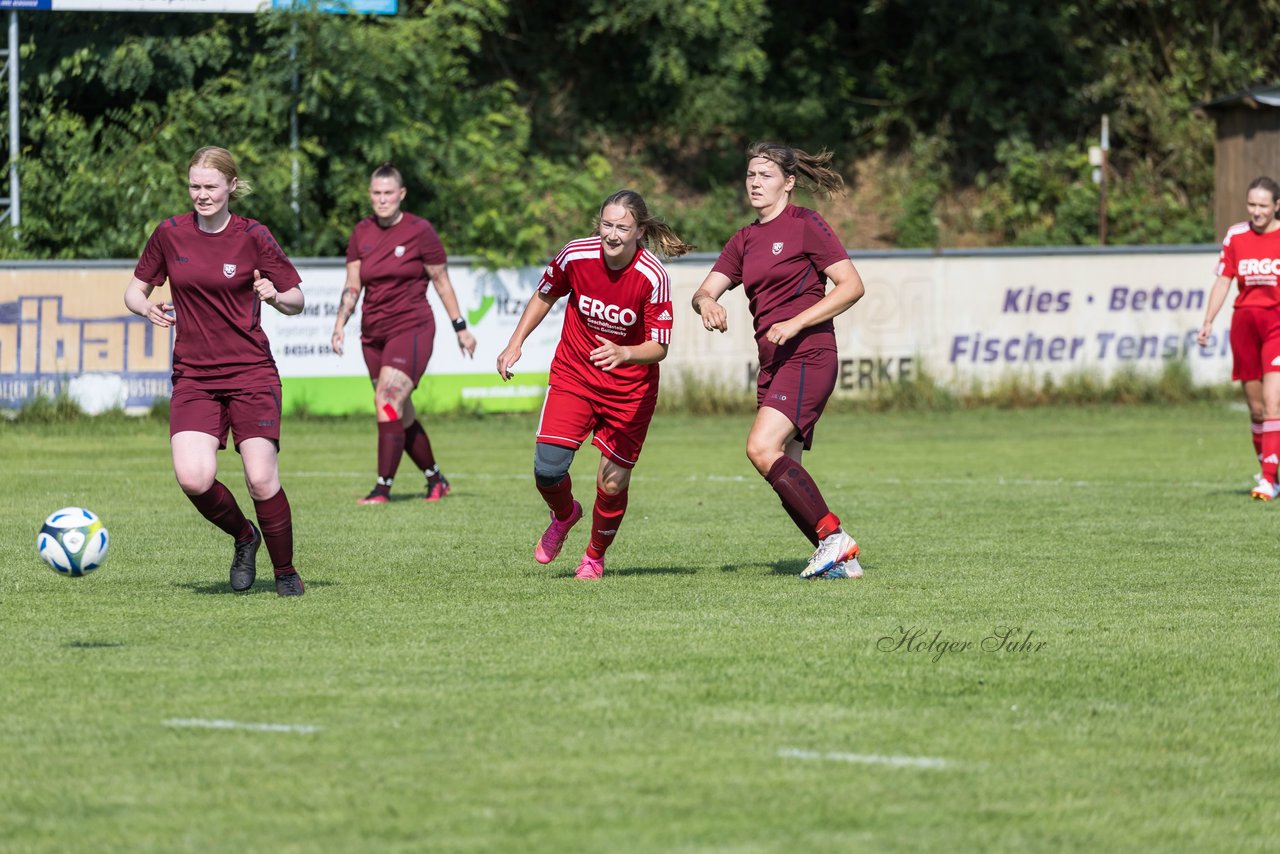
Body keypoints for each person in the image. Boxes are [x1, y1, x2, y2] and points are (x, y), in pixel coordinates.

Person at [124, 146, 306, 596]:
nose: (201, 195)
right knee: (193, 478)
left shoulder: (253, 236)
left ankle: (285, 572)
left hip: (251, 373)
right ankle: (245, 537)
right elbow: (132, 291)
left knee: (261, 478)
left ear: (230, 187)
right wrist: (146, 308)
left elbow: (297, 300)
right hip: (194, 377)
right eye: (194, 186)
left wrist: (274, 295)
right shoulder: (169, 234)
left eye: (210, 186)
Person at [691, 141, 866, 580]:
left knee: (759, 447)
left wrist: (797, 323)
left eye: (765, 175)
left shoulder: (806, 224)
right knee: (785, 470)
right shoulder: (744, 239)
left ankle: (833, 538)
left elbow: (851, 285)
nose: (755, 182)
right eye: (750, 174)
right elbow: (705, 289)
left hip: (809, 354)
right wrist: (706, 302)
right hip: (772, 363)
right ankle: (840, 561)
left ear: (788, 183)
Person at [496, 190, 693, 579]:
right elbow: (545, 294)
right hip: (575, 376)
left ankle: (594, 557)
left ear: (639, 231)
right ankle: (565, 514)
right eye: (607, 224)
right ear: (597, 224)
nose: (613, 234)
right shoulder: (576, 255)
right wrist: (514, 343)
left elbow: (659, 347)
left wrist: (624, 353)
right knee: (547, 470)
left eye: (623, 227)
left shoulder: (652, 276)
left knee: (613, 482)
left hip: (629, 392)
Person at [331, 162, 477, 505]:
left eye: (388, 193)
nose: (382, 200)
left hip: (412, 328)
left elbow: (441, 282)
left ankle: (382, 488)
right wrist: (339, 323)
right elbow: (353, 286)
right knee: (399, 411)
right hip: (373, 334)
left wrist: (461, 328)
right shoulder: (361, 233)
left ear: (401, 194)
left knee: (386, 399)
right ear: (370, 195)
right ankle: (436, 479)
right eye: (376, 194)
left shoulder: (420, 231)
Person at [1198, 176, 1280, 500]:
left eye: (1263, 205)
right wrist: (1207, 321)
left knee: (1274, 403)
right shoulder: (1236, 235)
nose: (1256, 211)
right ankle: (1269, 471)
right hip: (1245, 326)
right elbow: (1223, 281)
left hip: (1276, 325)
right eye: (1251, 204)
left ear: (1276, 206)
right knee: (1257, 408)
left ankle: (1269, 480)